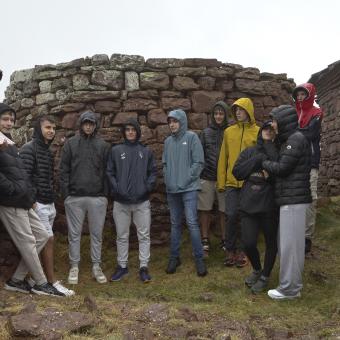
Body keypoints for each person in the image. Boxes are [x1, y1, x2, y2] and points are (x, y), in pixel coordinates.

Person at [0, 103, 63, 296]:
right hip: (10, 201)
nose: (9, 123)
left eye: (11, 119)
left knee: (43, 235)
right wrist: (14, 190)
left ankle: (17, 280)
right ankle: (41, 283)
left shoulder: (8, 142)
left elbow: (19, 173)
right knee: (28, 240)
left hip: (24, 199)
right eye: (5, 119)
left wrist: (27, 194)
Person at [20, 116, 74, 296]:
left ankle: (30, 278)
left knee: (42, 242)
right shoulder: (29, 149)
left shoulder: (47, 151)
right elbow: (24, 177)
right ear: (39, 128)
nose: (51, 131)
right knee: (48, 240)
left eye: (53, 128)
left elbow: (49, 177)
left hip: (48, 202)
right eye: (47, 127)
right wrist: (32, 201)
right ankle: (50, 282)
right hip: (38, 204)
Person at [262, 105, 312, 300]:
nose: (272, 124)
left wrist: (264, 164)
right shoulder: (289, 139)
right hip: (291, 199)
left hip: (294, 199)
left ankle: (289, 290)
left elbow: (282, 167)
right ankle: (292, 287)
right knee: (289, 245)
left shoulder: (295, 139)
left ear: (283, 120)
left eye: (274, 120)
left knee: (291, 246)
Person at [60, 111, 109, 285]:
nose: (88, 126)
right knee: (74, 234)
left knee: (97, 234)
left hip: (97, 198)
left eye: (91, 123)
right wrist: (66, 195)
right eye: (85, 123)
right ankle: (74, 266)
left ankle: (96, 265)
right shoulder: (71, 144)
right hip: (74, 198)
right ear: (81, 124)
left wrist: (104, 195)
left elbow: (107, 172)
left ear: (95, 125)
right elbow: (63, 170)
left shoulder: (103, 145)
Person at [107, 119, 157, 283]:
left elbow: (152, 172)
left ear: (137, 132)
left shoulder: (146, 151)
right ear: (124, 132)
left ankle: (143, 267)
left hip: (141, 201)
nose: (130, 132)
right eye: (127, 129)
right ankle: (122, 266)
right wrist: (117, 189)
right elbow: (110, 172)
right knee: (122, 235)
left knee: (144, 235)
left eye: (133, 130)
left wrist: (146, 188)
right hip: (121, 202)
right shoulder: (116, 150)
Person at [232, 120, 279, 293]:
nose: (268, 131)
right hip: (249, 203)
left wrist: (269, 176)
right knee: (248, 242)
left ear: (275, 133)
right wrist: (258, 160)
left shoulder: (278, 153)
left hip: (269, 205)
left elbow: (282, 175)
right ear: (260, 132)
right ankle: (257, 269)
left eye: (271, 129)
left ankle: (265, 275)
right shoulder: (250, 152)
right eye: (265, 129)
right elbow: (237, 172)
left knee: (270, 242)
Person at [162, 109, 207, 276]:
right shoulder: (167, 142)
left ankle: (199, 258)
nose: (172, 124)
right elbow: (165, 163)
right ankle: (174, 257)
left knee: (192, 223)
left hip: (189, 189)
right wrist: (168, 180)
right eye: (170, 122)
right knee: (175, 224)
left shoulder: (192, 138)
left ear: (182, 122)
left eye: (175, 121)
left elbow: (198, 162)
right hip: (172, 191)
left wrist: (184, 180)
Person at [217, 98, 259, 268]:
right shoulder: (228, 132)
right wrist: (221, 182)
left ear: (248, 111)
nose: (238, 113)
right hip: (231, 183)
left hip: (249, 183)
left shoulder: (257, 132)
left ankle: (244, 250)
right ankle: (230, 249)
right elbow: (223, 158)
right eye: (236, 110)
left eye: (241, 110)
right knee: (231, 215)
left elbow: (261, 157)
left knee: (246, 217)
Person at [292, 83, 323, 255]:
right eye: (298, 94)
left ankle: (307, 237)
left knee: (310, 198)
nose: (300, 97)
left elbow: (310, 134)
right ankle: (295, 232)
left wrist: (293, 131)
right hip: (294, 161)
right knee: (295, 196)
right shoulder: (293, 113)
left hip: (310, 160)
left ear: (309, 95)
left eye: (303, 94)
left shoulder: (317, 113)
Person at [198, 101, 229, 256]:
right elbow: (200, 153)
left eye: (221, 113)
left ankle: (225, 239)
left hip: (224, 177)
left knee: (224, 210)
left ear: (225, 115)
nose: (218, 116)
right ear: (212, 115)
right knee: (205, 209)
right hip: (207, 176)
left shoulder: (230, 131)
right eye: (216, 113)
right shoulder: (205, 132)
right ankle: (205, 240)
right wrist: (202, 171)